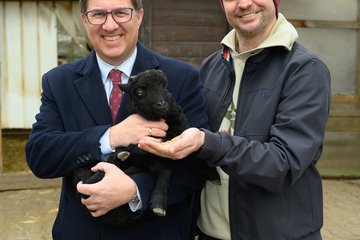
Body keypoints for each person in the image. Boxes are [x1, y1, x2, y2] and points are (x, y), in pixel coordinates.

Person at [138, 0, 331, 239]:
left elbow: (284, 163)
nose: (244, 4)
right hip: (209, 233)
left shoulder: (305, 70)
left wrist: (208, 143)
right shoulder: (212, 65)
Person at [25, 0, 208, 239]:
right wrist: (110, 137)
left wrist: (135, 190)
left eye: (121, 13)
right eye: (98, 14)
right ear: (84, 19)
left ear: (139, 16)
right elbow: (41, 155)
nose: (110, 25)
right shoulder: (58, 82)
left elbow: (199, 163)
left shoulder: (182, 77)